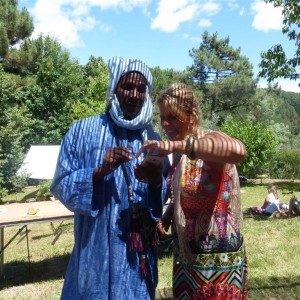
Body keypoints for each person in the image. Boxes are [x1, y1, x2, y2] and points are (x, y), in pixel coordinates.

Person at [50, 56, 169, 300]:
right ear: (114, 87)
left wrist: (157, 181)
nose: (134, 95)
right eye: (127, 86)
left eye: (141, 89)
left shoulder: (153, 138)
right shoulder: (81, 131)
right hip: (94, 254)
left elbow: (159, 200)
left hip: (137, 258)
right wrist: (99, 172)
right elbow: (61, 185)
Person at [136, 83, 248, 299]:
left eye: (172, 117)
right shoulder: (180, 154)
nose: (165, 123)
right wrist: (167, 216)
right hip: (187, 258)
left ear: (192, 115)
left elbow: (238, 151)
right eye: (162, 117)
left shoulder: (211, 139)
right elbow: (187, 194)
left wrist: (174, 146)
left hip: (218, 261)